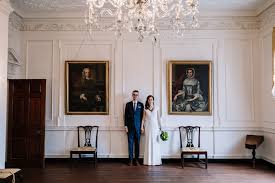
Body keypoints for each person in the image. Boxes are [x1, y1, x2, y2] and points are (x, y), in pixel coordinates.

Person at [124, 90, 144, 166]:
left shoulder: (141, 105)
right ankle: (130, 160)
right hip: (130, 127)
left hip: (138, 128)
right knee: (130, 144)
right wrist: (126, 126)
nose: (135, 96)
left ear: (138, 96)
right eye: (134, 95)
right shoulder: (128, 104)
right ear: (132, 95)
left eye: (136, 95)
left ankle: (137, 160)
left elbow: (143, 117)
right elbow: (125, 116)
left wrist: (142, 127)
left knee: (137, 144)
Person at [141, 95, 162, 166]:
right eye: (149, 99)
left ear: (153, 100)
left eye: (151, 99)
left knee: (155, 143)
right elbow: (143, 119)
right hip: (148, 128)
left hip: (155, 128)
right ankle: (148, 161)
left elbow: (159, 118)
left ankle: (155, 161)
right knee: (149, 142)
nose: (150, 101)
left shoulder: (157, 108)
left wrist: (161, 127)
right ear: (147, 101)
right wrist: (142, 127)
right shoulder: (145, 109)